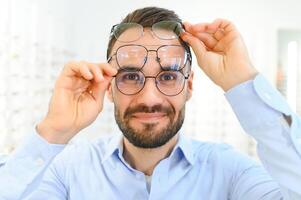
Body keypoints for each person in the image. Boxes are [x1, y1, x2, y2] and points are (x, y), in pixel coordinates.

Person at [0, 6, 300, 200]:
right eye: (131, 76)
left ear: (189, 86)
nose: (150, 98)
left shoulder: (232, 172)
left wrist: (243, 83)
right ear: (109, 86)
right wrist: (53, 131)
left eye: (168, 77)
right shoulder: (66, 172)